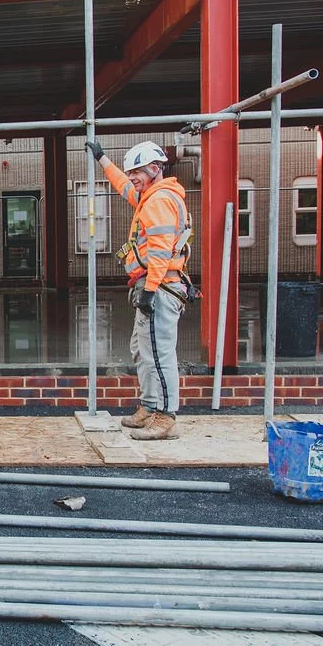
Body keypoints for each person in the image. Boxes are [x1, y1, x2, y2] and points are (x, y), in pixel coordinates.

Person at [85, 139, 194, 440]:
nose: (132, 176)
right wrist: (103, 160)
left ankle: (166, 417)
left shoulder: (159, 201)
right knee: (142, 349)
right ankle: (149, 405)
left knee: (159, 354)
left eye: (138, 171)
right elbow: (123, 186)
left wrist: (150, 289)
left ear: (155, 169)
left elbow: (159, 252)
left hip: (160, 287)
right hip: (155, 284)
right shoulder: (151, 195)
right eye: (131, 171)